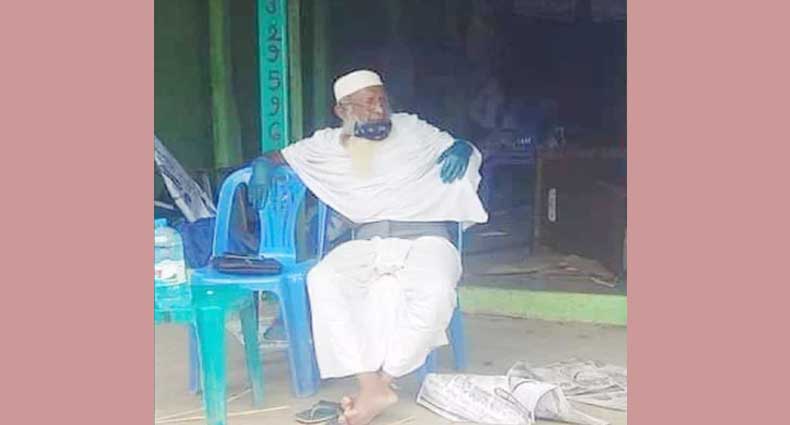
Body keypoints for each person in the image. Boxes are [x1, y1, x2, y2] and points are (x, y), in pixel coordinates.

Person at [247, 69, 488, 425]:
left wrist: (463, 147)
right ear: (342, 110)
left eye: (381, 100)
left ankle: (383, 382)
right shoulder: (327, 144)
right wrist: (261, 165)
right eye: (367, 103)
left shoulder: (413, 129)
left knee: (436, 290)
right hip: (368, 241)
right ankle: (368, 382)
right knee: (323, 279)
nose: (378, 110)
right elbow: (276, 156)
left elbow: (460, 146)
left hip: (427, 237)